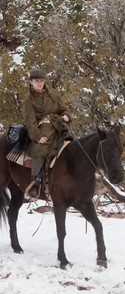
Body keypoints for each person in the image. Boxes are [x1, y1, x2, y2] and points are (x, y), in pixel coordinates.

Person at [23, 68, 72, 198]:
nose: (39, 83)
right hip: (41, 129)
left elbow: (64, 110)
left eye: (41, 80)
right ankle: (35, 183)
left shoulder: (54, 97)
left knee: (71, 146)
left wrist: (66, 115)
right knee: (40, 150)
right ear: (31, 82)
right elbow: (31, 122)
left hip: (58, 127)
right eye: (36, 81)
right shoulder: (29, 101)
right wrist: (38, 136)